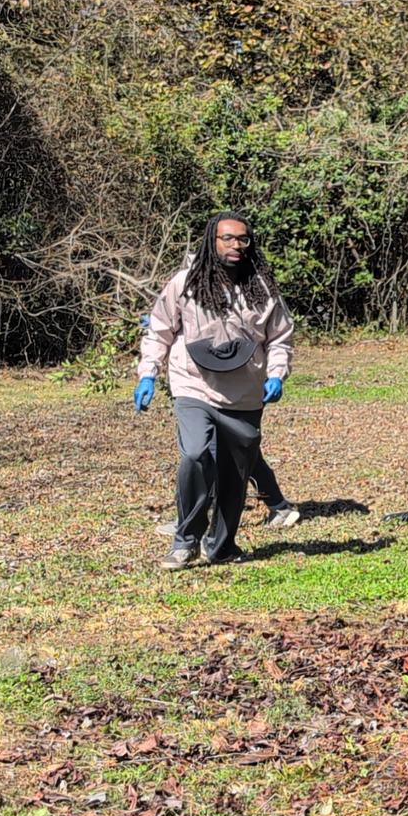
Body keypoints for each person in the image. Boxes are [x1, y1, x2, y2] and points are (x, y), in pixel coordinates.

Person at [136, 212, 296, 571]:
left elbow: (280, 338)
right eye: (227, 238)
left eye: (242, 239)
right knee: (194, 454)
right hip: (193, 384)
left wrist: (276, 375)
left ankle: (221, 546)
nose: (236, 245)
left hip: (245, 392)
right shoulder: (184, 283)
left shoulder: (264, 289)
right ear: (212, 241)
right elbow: (159, 330)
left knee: (235, 476)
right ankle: (185, 541)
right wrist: (148, 374)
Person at [150, 314, 302, 535]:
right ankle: (278, 506)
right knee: (233, 450)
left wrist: (276, 374)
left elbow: (276, 334)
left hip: (234, 382)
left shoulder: (250, 290)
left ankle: (190, 520)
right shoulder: (186, 286)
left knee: (219, 450)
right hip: (197, 382)